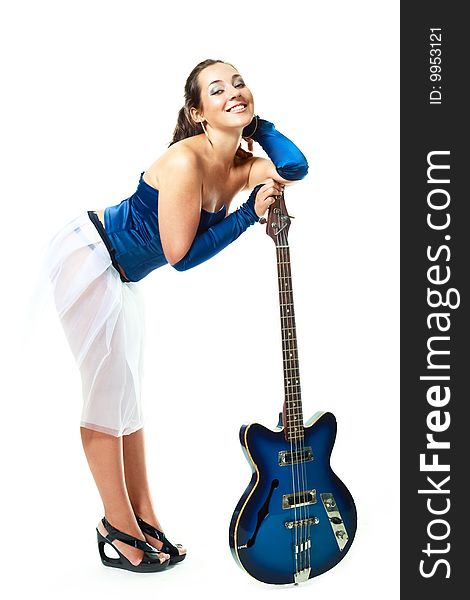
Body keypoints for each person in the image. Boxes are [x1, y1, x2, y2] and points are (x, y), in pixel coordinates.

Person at [44, 58, 309, 573]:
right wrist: (246, 216)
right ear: (197, 112)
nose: (233, 91)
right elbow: (180, 255)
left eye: (239, 83)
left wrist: (262, 128)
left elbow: (294, 168)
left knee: (128, 400)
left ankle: (144, 518)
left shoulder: (241, 166)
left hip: (119, 275)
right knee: (105, 397)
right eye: (218, 89)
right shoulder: (186, 161)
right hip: (89, 259)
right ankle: (115, 527)